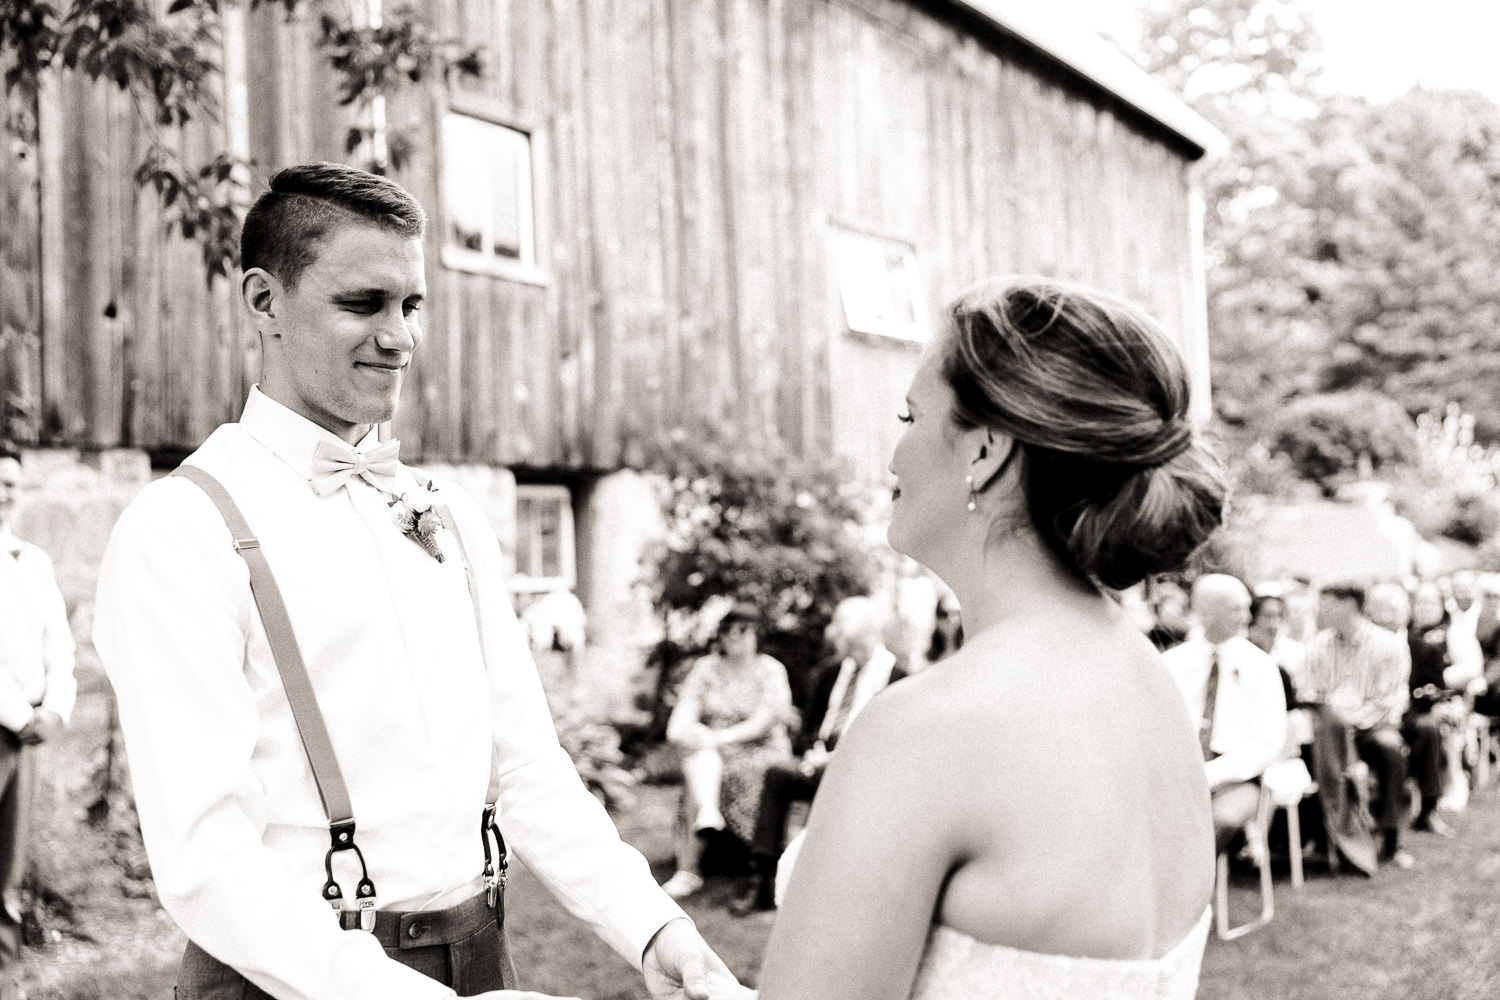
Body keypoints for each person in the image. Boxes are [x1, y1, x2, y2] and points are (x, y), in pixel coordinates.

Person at [92, 163, 737, 1000]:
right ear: (263, 301)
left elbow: (528, 763)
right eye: (363, 304)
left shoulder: (447, 513)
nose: (400, 337)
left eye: (411, 305)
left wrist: (656, 931)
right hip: (288, 980)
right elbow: (207, 857)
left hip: (480, 959)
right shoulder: (182, 530)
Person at [747, 277, 1227, 999]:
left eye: (911, 416)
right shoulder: (1152, 686)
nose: (893, 457)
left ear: (986, 450)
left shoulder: (923, 734)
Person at [731, 596, 903, 915]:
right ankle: (760, 878)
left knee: (832, 777)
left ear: (867, 637)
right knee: (778, 772)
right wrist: (813, 751)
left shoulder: (899, 677)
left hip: (861, 770)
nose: (844, 648)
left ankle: (817, 881)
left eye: (850, 642)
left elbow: (893, 742)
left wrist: (839, 758)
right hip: (819, 760)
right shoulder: (831, 672)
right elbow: (809, 726)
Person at [0, 444, 76, 1000]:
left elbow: (60, 645)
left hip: (24, 736)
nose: (6, 493)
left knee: (8, 867)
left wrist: (55, 707)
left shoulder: (31, 559)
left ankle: (6, 977)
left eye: (11, 484)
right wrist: (17, 713)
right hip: (9, 720)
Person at [659, 605, 793, 900]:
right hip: (713, 748)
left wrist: (718, 737)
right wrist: (690, 733)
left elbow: (764, 721)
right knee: (699, 758)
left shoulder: (770, 670)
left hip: (760, 747)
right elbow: (680, 721)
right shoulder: (706, 668)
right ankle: (690, 865)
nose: (735, 636)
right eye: (728, 630)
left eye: (743, 629)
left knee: (706, 759)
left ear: (756, 633)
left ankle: (726, 842)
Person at [1164, 576, 1288, 854]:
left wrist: (1212, 774)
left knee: (1218, 820)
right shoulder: (1173, 664)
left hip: (1238, 778)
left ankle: (1191, 894)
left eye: (1246, 607)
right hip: (1179, 771)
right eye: (1236, 608)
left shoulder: (1261, 667)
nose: (1246, 617)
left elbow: (1268, 742)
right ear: (1207, 612)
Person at [1301, 583, 1413, 868]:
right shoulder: (1317, 646)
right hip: (1330, 728)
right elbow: (1309, 691)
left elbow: (1388, 698)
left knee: (1390, 750)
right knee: (1310, 752)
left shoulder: (1387, 645)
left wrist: (1350, 721)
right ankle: (1323, 836)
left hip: (1372, 726)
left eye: (1326, 603)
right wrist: (1335, 720)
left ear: (1349, 605)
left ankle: (1391, 838)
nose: (1320, 610)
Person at [1403, 582, 1457, 838]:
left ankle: (1429, 807)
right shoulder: (1402, 638)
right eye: (1420, 602)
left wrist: (1439, 701)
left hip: (1425, 709)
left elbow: (1440, 686)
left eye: (1431, 602)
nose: (1424, 608)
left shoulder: (1447, 635)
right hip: (1388, 711)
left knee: (1429, 728)